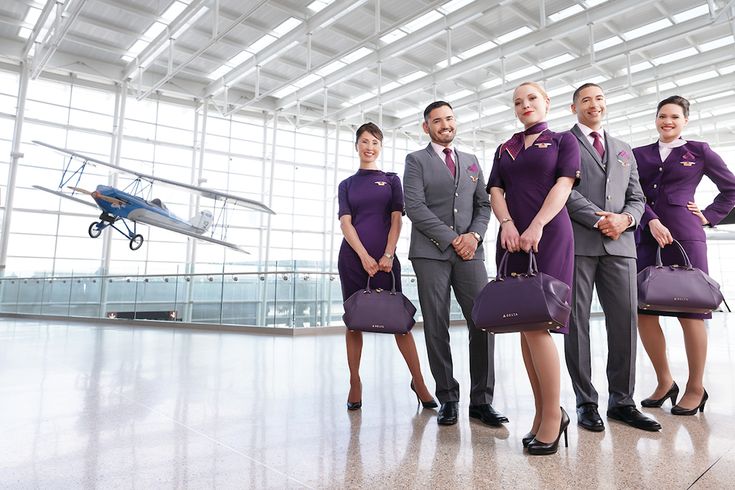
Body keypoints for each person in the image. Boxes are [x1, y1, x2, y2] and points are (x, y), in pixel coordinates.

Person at [403, 101, 507, 428]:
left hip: (471, 254)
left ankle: (482, 401)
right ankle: (447, 397)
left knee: (484, 321)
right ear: (427, 127)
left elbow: (483, 205)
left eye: (449, 118)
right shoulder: (416, 160)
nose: (445, 124)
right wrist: (452, 238)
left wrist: (474, 236)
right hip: (430, 254)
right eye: (437, 120)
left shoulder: (472, 161)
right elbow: (415, 207)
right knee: (436, 324)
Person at [487, 81, 578, 455]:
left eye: (532, 99)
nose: (525, 105)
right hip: (511, 239)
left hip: (549, 234)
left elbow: (565, 184)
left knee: (540, 324)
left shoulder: (561, 141)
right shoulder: (505, 147)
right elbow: (495, 190)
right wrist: (507, 223)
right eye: (518, 102)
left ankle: (554, 418)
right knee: (523, 326)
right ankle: (544, 412)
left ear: (546, 102)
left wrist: (537, 224)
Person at [564, 83, 661, 432]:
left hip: (621, 246)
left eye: (600, 98)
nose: (594, 104)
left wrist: (626, 220)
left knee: (624, 323)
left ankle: (622, 401)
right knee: (575, 325)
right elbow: (562, 190)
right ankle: (585, 402)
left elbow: (637, 197)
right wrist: (599, 219)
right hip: (579, 244)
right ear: (574, 106)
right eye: (586, 99)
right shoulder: (564, 143)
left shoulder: (623, 149)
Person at [633, 95, 735, 415]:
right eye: (663, 115)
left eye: (675, 117)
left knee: (691, 312)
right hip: (647, 238)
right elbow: (632, 193)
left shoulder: (700, 151)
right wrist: (651, 220)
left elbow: (731, 188)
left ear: (685, 120)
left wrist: (708, 215)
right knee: (643, 310)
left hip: (687, 237)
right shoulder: (639, 154)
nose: (668, 121)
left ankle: (695, 387)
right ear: (656, 118)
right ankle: (665, 382)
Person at [338, 122, 437, 411]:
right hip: (353, 259)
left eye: (375, 142)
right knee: (353, 323)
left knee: (400, 324)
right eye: (365, 141)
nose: (370, 147)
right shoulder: (346, 184)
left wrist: (388, 255)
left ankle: (418, 381)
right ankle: (355, 382)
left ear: (381, 147)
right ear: (356, 145)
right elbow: (346, 223)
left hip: (386, 260)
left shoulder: (392, 180)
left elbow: (397, 219)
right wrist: (363, 256)